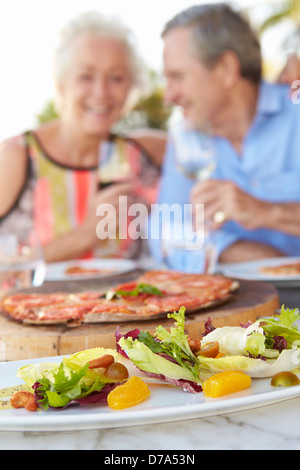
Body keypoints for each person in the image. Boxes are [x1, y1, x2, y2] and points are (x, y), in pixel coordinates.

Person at [0, 11, 167, 263]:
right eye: (85, 76)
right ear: (61, 84)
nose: (101, 92)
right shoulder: (18, 156)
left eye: (116, 78)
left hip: (134, 303)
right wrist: (84, 236)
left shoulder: (145, 153)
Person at [149, 3, 300, 269]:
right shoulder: (188, 138)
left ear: (226, 69)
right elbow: (165, 230)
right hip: (240, 301)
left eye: (177, 77)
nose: (168, 96)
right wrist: (251, 256)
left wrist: (265, 212)